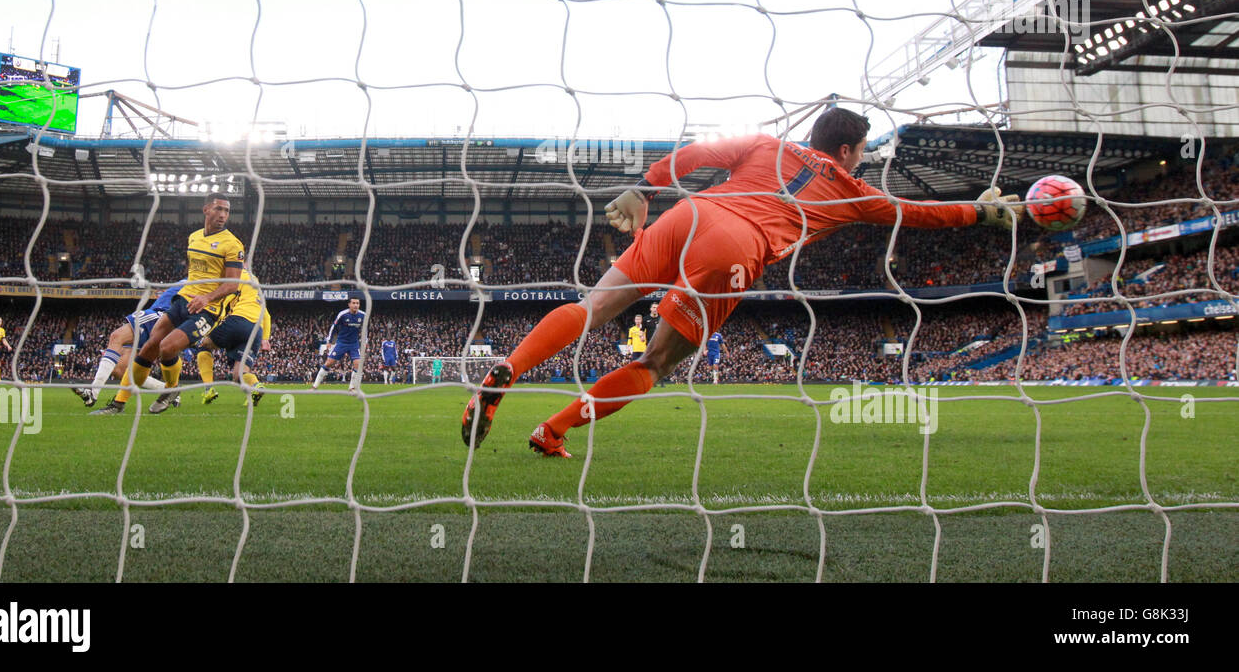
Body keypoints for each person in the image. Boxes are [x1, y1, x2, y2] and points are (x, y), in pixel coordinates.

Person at [461, 106, 1022, 457]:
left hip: (691, 211)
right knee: (655, 363)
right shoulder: (854, 191)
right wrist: (980, 211)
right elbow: (916, 214)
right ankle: (552, 429)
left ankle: (509, 368)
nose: (861, 164)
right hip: (735, 248)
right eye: (861, 154)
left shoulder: (764, 144)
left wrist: (646, 187)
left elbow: (699, 152)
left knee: (592, 306)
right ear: (847, 150)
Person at [129, 193, 245, 407]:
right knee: (150, 346)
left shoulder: (233, 245)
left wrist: (206, 297)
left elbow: (232, 285)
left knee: (167, 347)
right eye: (219, 209)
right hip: (184, 300)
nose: (223, 215)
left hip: (208, 309)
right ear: (206, 209)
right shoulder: (193, 237)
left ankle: (172, 390)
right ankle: (120, 401)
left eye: (227, 211)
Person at [73, 281, 185, 410]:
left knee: (116, 337)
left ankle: (93, 392)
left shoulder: (200, 278)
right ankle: (170, 391)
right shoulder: (195, 274)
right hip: (162, 316)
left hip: (160, 315)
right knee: (120, 370)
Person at [195, 269, 271, 408]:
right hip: (256, 330)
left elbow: (224, 301)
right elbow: (266, 315)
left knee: (203, 345)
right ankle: (255, 386)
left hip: (238, 320)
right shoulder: (255, 289)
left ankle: (208, 389)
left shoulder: (233, 275)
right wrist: (265, 339)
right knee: (239, 375)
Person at [311, 297, 366, 393]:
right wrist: (329, 341)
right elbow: (334, 326)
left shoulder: (362, 315)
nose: (356, 305)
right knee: (329, 363)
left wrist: (365, 341)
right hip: (342, 343)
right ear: (349, 304)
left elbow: (365, 328)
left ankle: (351, 388)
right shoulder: (343, 314)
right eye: (353, 303)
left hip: (354, 344)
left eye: (357, 303)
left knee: (358, 364)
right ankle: (314, 386)